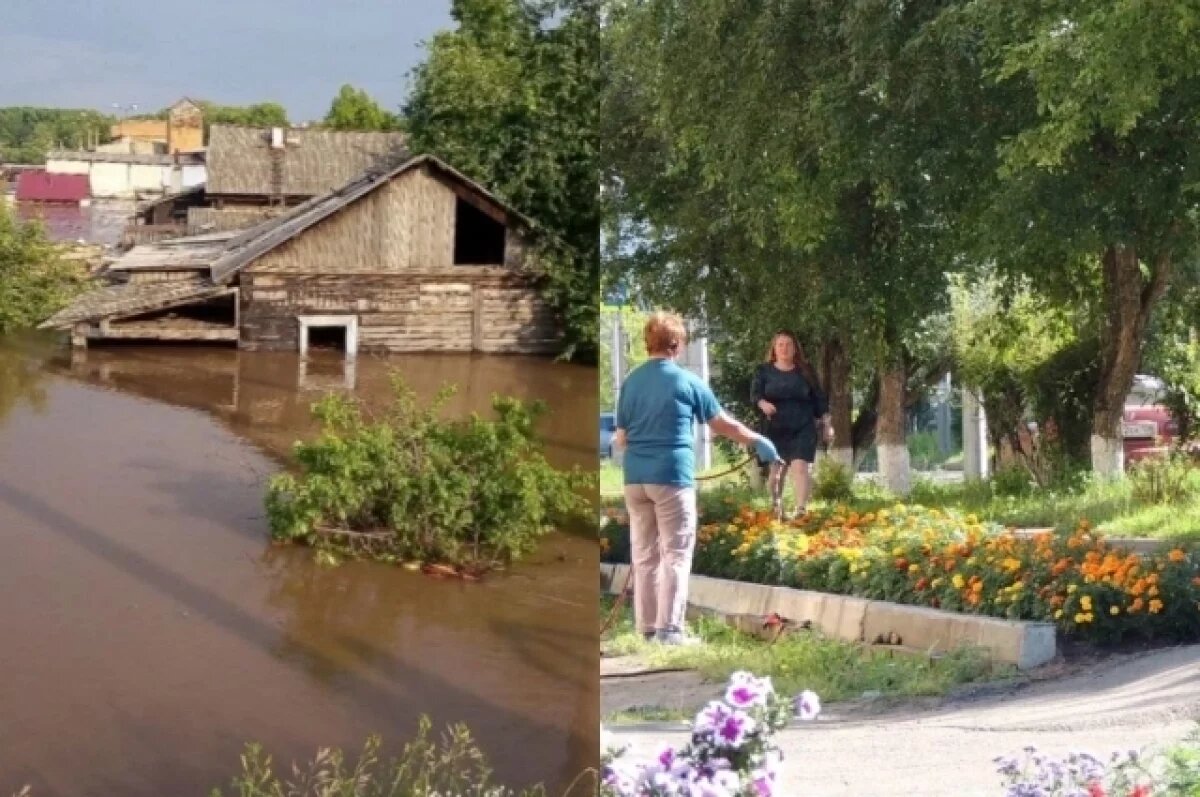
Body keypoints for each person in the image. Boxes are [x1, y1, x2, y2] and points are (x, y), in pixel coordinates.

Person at [614, 312, 780, 646]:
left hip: (634, 480)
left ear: (649, 342)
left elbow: (621, 439)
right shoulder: (685, 381)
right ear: (676, 344)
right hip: (671, 477)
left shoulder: (631, 381)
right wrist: (758, 442)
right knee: (676, 553)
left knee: (644, 555)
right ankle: (670, 631)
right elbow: (722, 424)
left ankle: (646, 629)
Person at [751, 329, 833, 518]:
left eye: (788, 344)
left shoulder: (806, 371)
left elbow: (819, 399)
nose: (784, 348)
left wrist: (827, 424)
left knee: (800, 466)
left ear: (795, 349)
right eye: (780, 344)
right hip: (774, 427)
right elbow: (755, 395)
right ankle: (776, 508)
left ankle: (801, 511)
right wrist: (763, 404)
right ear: (774, 349)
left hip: (802, 425)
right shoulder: (763, 371)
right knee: (776, 471)